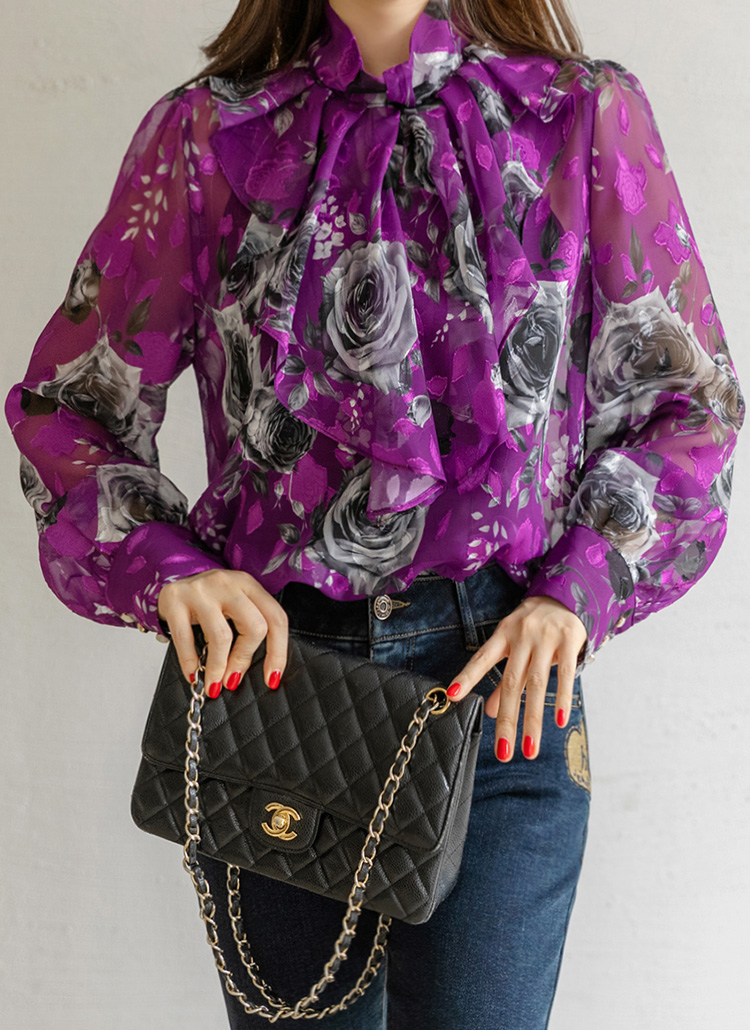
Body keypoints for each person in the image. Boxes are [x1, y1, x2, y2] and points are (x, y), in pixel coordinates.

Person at [4, 0, 743, 1026]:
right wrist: (171, 569)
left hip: (503, 696)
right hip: (277, 692)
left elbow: (689, 406)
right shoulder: (208, 137)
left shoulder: (580, 117)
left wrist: (579, 589)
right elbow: (71, 405)